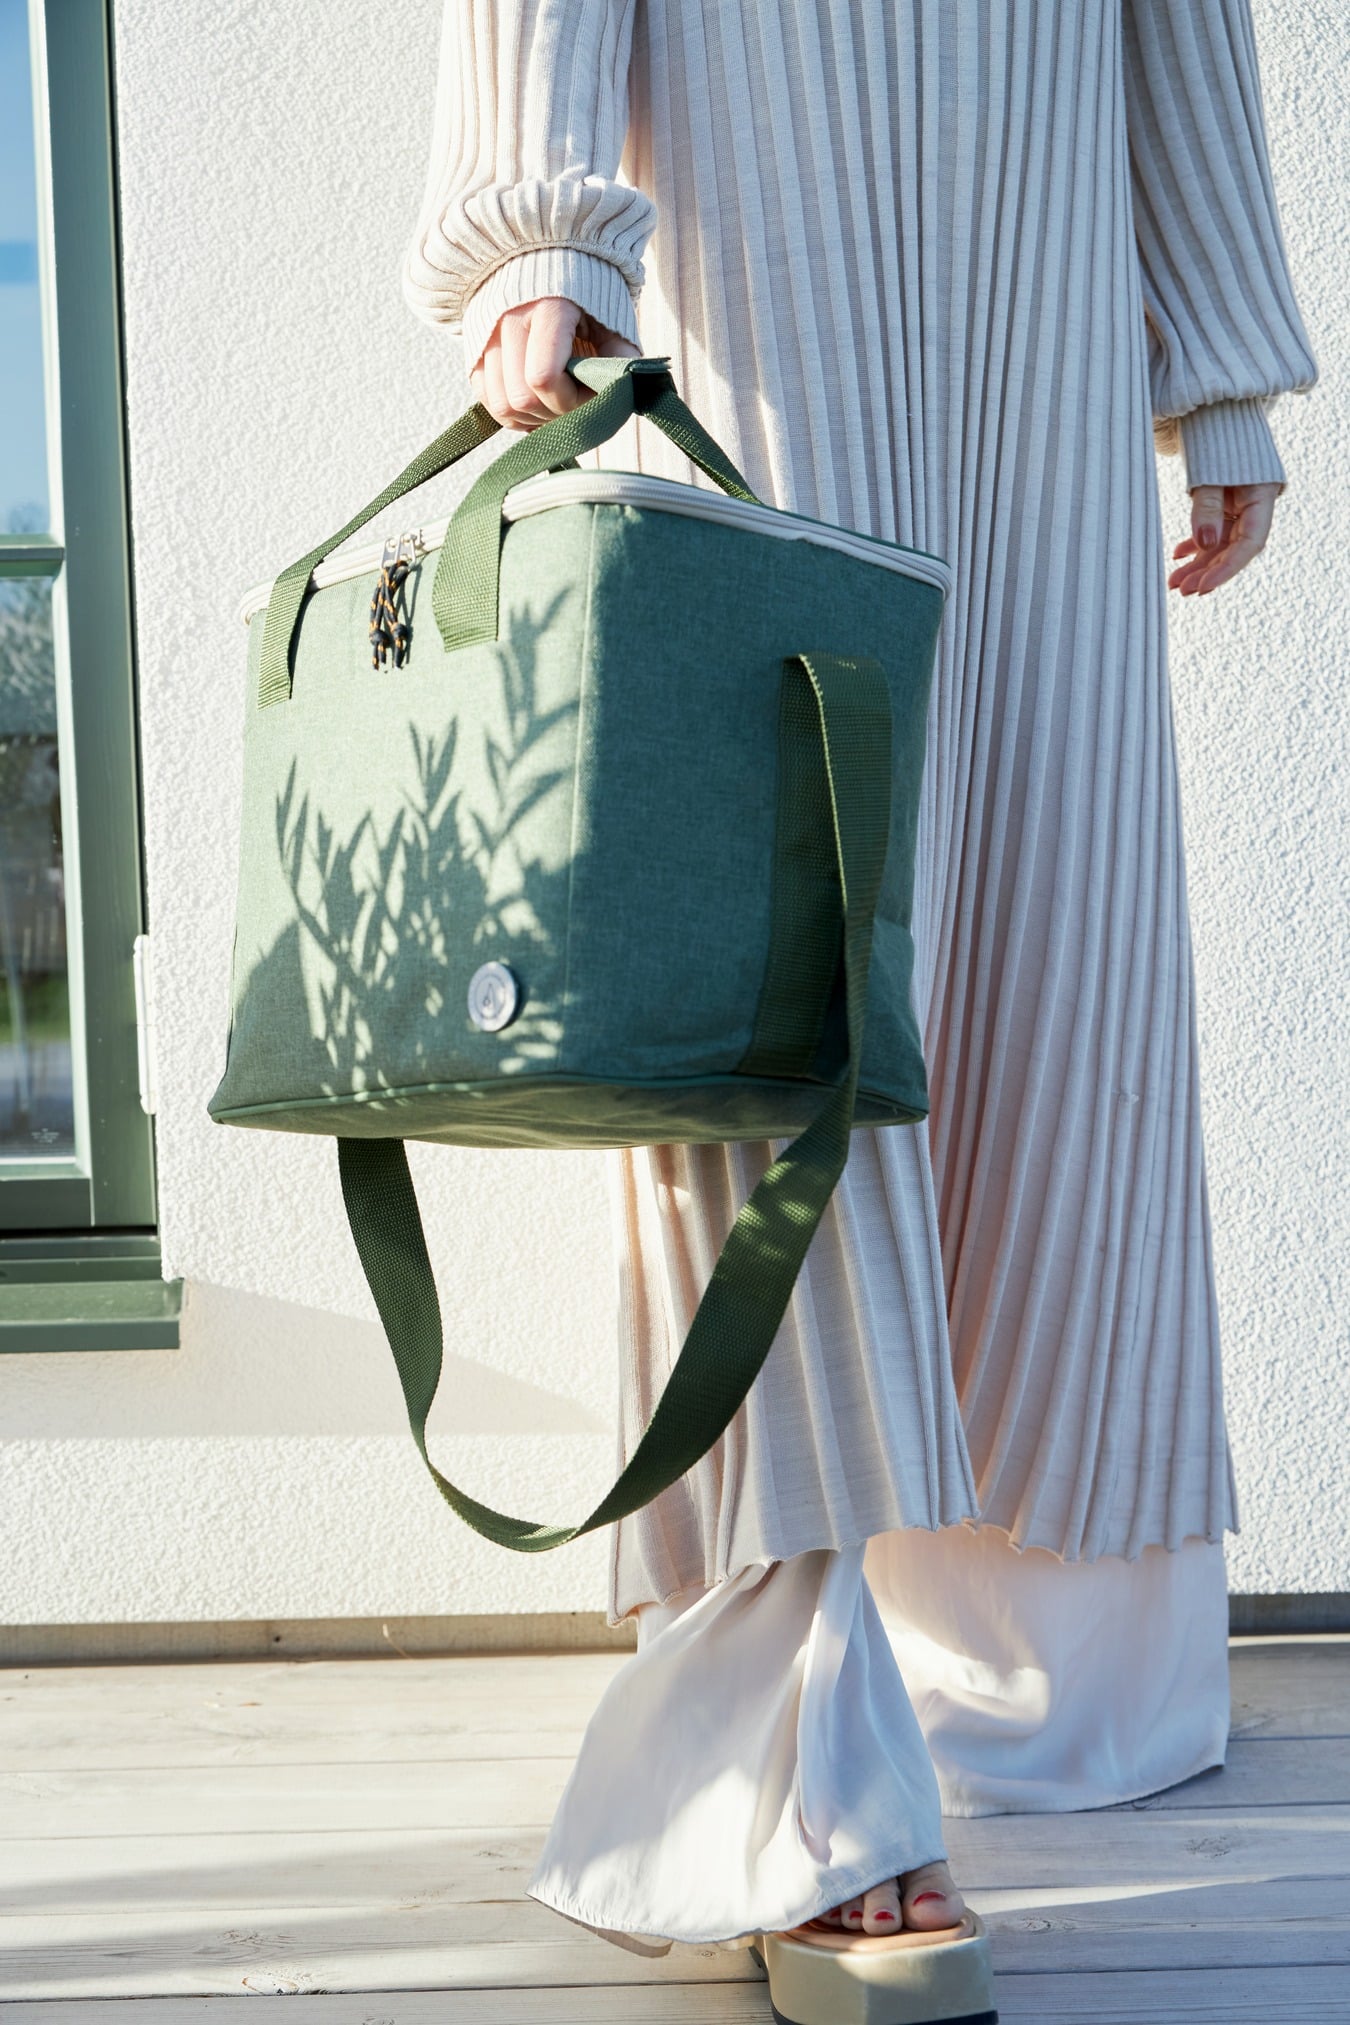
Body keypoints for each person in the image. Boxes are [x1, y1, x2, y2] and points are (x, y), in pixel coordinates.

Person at [402, 0, 1319, 1956]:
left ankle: (1058, 1655)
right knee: (783, 938)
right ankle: (786, 1732)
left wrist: (1216, 346)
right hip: (757, 174)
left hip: (1045, 227)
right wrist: (537, 215)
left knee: (1056, 929)